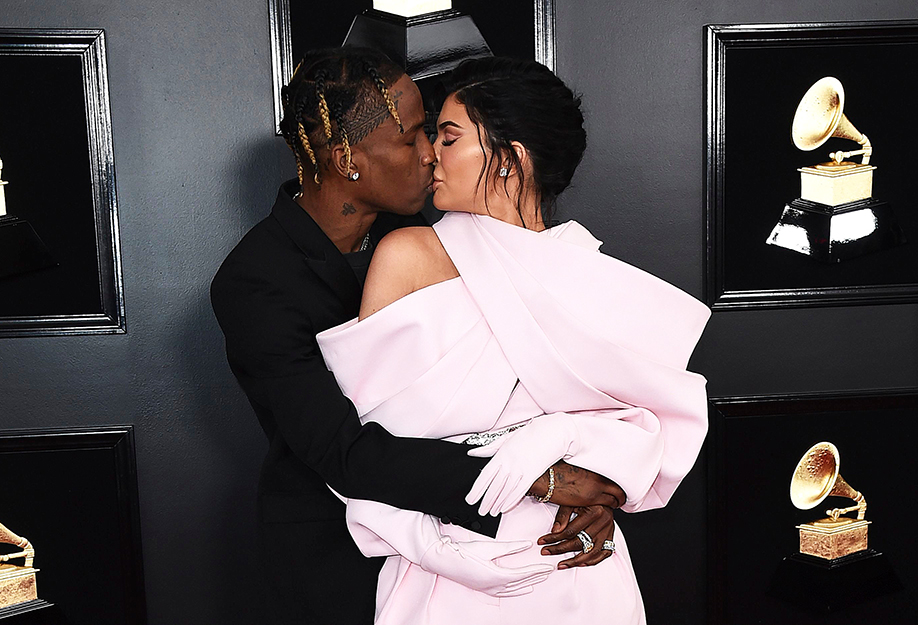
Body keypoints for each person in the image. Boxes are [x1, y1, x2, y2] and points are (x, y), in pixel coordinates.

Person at [210, 47, 626, 625]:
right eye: (410, 139)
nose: (430, 154)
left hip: (483, 547)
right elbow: (340, 450)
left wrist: (601, 486)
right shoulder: (256, 280)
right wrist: (544, 482)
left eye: (433, 133)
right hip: (338, 553)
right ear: (346, 158)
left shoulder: (427, 232)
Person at [314, 57, 711, 624]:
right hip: (445, 569)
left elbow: (657, 433)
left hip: (575, 573)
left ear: (512, 158)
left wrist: (570, 436)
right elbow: (358, 451)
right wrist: (438, 550)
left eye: (449, 138)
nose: (430, 154)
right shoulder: (408, 256)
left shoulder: (599, 280)